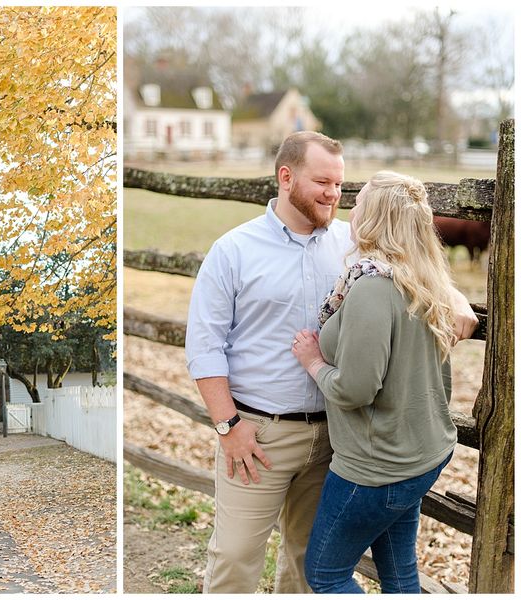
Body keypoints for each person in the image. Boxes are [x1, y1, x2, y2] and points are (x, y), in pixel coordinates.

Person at [185, 132, 476, 592]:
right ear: (286, 177)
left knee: (305, 560)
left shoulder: (354, 242)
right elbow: (204, 347)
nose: (334, 195)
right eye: (323, 182)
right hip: (260, 435)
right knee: (236, 557)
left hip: (335, 440)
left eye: (340, 185)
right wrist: (228, 426)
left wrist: (456, 298)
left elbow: (415, 262)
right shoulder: (234, 251)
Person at [291, 171, 464, 593]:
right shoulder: (425, 279)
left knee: (325, 575)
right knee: (400, 572)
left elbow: (355, 389)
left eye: (361, 202)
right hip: (422, 454)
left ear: (375, 218)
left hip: (376, 468)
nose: (351, 210)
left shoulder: (372, 287)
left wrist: (313, 361)